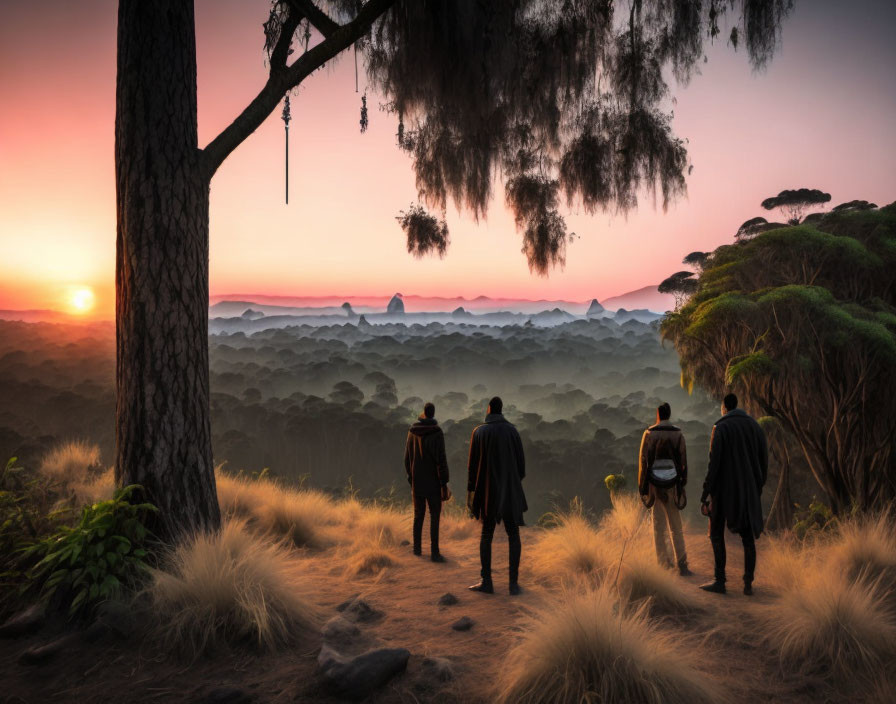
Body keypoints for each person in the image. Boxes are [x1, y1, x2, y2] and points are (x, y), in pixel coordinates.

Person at [699, 393, 768, 595]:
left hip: (723, 491)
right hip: (747, 491)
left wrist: (706, 492)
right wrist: (757, 486)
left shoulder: (720, 428)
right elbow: (764, 461)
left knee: (716, 534)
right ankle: (748, 583)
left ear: (724, 407)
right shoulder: (755, 427)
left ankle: (720, 581)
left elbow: (714, 464)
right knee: (748, 538)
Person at [466, 396, 527, 595]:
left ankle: (487, 582)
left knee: (486, 535)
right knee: (513, 535)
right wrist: (511, 482)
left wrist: (471, 492)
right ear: (501, 410)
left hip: (486, 492)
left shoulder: (479, 432)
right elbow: (521, 468)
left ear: (489, 409)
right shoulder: (513, 431)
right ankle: (513, 584)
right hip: (510, 491)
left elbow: (472, 467)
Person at [638, 402, 693, 576]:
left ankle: (663, 563)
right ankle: (682, 563)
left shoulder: (649, 433)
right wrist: (682, 484)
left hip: (655, 486)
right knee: (676, 526)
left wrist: (643, 487)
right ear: (669, 414)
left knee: (658, 526)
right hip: (673, 484)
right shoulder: (677, 433)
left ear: (658, 414)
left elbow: (643, 462)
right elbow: (683, 461)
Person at [404, 402, 450, 562]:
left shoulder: (412, 432)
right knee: (434, 516)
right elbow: (441, 459)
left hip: (418, 481)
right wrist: (444, 483)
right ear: (433, 413)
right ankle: (435, 553)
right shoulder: (437, 432)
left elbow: (407, 459)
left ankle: (417, 549)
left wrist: (412, 478)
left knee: (418, 515)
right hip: (433, 482)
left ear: (423, 413)